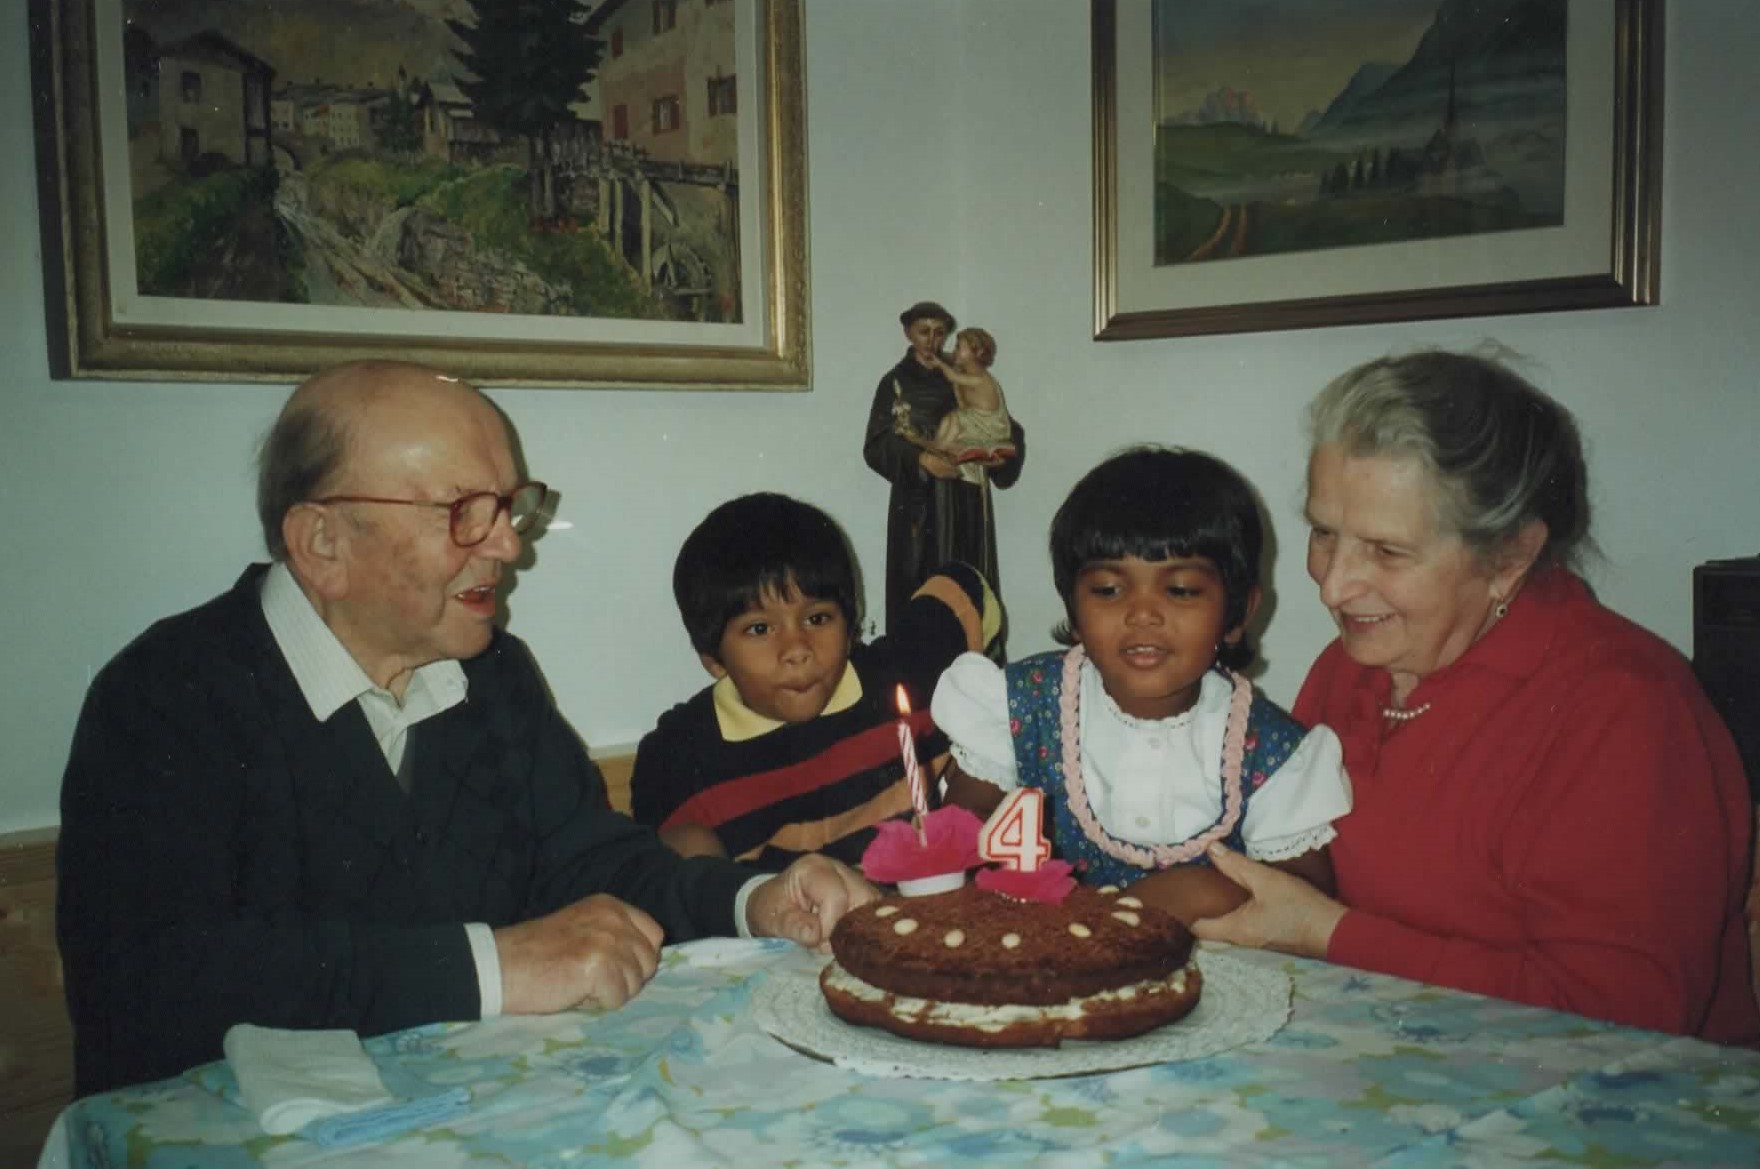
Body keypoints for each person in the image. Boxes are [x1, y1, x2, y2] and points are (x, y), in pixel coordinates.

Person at [55, 361, 878, 1096]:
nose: (509, 545)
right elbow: (151, 982)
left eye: (510, 507)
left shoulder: (492, 674)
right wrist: (496, 964)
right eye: (464, 512)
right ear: (322, 544)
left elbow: (593, 861)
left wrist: (753, 900)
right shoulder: (167, 695)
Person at [1192, 350, 1760, 1046]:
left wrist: (1326, 933)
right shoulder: (1349, 671)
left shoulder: (1623, 708)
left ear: (1509, 557)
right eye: (1324, 532)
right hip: (1382, 1064)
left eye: (1387, 551)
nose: (1334, 585)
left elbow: (1628, 1013)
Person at [932, 446, 1353, 925]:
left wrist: (1190, 895)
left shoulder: (1271, 751)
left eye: (1181, 590)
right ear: (1072, 609)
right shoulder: (1020, 704)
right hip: (1036, 962)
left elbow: (1303, 898)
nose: (1142, 613)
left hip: (1197, 979)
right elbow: (963, 829)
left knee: (1207, 888)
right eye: (1109, 590)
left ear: (1236, 613)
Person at [631, 492, 1001, 871]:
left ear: (851, 628)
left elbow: (966, 587)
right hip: (781, 925)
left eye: (818, 619)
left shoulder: (900, 677)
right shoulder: (681, 755)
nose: (797, 649)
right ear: (713, 660)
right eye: (760, 628)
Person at [863, 301, 1025, 650]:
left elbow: (1003, 426)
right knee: (924, 596)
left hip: (967, 500)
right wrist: (921, 460)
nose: (932, 340)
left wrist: (1000, 458)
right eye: (924, 331)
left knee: (972, 592)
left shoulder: (966, 372)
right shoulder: (895, 383)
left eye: (940, 333)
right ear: (908, 332)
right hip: (921, 508)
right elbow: (876, 445)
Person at [931, 327, 1017, 484]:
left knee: (956, 419)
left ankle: (942, 447)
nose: (954, 351)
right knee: (950, 420)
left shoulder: (981, 378)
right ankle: (938, 447)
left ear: (977, 353)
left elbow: (952, 376)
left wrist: (939, 363)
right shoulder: (966, 371)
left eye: (958, 347)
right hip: (974, 418)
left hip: (989, 425)